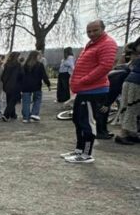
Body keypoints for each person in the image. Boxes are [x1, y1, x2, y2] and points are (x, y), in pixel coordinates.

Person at [62, 19, 119, 164]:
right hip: (84, 91)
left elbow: (105, 66)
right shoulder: (92, 44)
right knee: (78, 120)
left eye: (95, 30)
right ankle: (79, 150)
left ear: (103, 29)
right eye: (89, 31)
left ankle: (86, 154)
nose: (91, 34)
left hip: (94, 91)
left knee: (88, 123)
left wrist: (84, 80)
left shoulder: (108, 43)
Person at [113, 51, 140, 145]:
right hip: (136, 85)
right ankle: (122, 135)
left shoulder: (136, 54)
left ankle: (131, 134)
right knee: (132, 109)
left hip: (129, 82)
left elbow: (129, 66)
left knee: (128, 108)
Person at [20, 51, 51, 122]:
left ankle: (26, 117)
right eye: (38, 56)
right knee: (37, 99)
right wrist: (48, 84)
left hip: (25, 86)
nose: (39, 57)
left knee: (26, 102)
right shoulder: (39, 65)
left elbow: (21, 76)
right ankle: (34, 114)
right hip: (36, 85)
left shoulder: (24, 65)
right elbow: (44, 76)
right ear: (36, 56)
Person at [0, 52, 23, 121]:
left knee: (9, 100)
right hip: (15, 85)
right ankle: (6, 115)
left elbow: (3, 76)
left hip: (7, 85)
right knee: (13, 101)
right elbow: (21, 75)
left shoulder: (7, 65)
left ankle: (13, 114)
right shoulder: (18, 65)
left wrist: (5, 83)